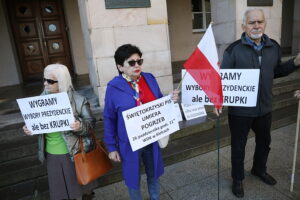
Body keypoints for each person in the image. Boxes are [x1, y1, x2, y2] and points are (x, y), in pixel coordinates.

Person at [214, 8, 300, 198]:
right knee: (238, 147)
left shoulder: (273, 47)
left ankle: (259, 170)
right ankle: (237, 179)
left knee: (264, 143)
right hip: (240, 111)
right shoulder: (233, 49)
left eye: (259, 22)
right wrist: (218, 100)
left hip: (264, 108)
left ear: (265, 23)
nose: (256, 26)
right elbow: (223, 80)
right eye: (252, 22)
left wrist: (295, 62)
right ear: (243, 25)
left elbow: (276, 71)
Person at [103, 44, 179, 200]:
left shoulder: (149, 78)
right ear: (120, 67)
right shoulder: (113, 88)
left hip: (152, 137)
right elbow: (109, 118)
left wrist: (169, 99)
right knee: (133, 180)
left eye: (139, 61)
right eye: (131, 62)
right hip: (130, 143)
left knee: (154, 175)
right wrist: (111, 147)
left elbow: (158, 101)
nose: (137, 65)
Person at [22, 64, 97, 200]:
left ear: (62, 81)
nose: (45, 84)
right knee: (60, 193)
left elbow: (91, 124)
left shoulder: (79, 100)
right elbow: (37, 124)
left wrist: (79, 126)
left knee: (80, 192)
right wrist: (30, 128)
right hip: (51, 154)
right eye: (44, 79)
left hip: (74, 154)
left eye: (50, 81)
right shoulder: (39, 100)